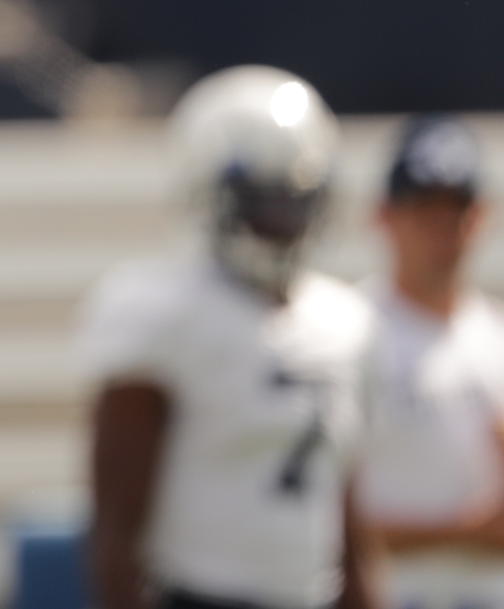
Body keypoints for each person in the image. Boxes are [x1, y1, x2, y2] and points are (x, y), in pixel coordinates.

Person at [79, 66, 381, 609]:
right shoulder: (161, 311)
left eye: (297, 199)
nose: (284, 218)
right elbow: (115, 529)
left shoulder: (345, 322)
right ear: (211, 195)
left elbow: (348, 521)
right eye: (265, 200)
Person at [357, 116, 504, 609]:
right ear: (384, 216)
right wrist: (468, 533)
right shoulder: (346, 339)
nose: (443, 230)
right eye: (424, 209)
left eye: (456, 211)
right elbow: (313, 524)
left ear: (481, 217)